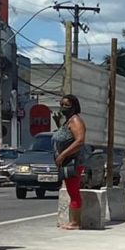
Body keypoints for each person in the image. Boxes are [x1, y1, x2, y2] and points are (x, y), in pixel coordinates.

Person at [52, 94, 90, 230]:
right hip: (66, 162)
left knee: (73, 191)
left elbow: (79, 141)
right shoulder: (67, 121)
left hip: (73, 162)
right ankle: (73, 220)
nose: (63, 107)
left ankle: (75, 222)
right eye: (61, 104)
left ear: (74, 106)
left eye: (66, 105)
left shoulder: (75, 121)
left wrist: (62, 155)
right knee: (70, 190)